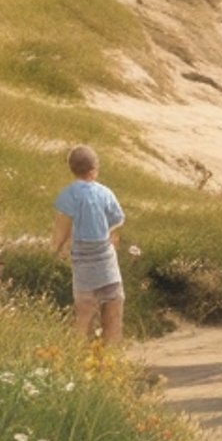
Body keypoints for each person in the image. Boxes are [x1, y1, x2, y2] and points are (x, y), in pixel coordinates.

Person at [52, 145, 126, 351]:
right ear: (95, 168)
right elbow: (117, 219)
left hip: (83, 259)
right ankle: (111, 360)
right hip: (105, 258)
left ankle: (80, 357)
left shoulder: (68, 195)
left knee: (84, 311)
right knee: (113, 307)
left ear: (71, 168)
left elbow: (62, 229)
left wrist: (55, 251)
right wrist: (106, 230)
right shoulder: (105, 193)